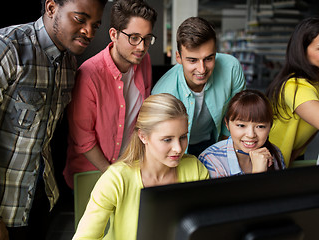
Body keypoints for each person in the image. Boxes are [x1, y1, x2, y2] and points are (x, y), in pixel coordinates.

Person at [0, 0, 106, 239]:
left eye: (95, 25)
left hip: (40, 201)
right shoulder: (0, 48)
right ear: (51, 8)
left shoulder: (69, 64)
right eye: (80, 19)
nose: (89, 31)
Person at [72, 93, 209, 240]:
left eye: (182, 137)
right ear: (143, 136)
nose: (178, 148)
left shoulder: (195, 169)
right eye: (167, 139)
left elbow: (207, 229)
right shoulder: (116, 179)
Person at [63, 0, 157, 189]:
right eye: (134, 37)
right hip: (92, 174)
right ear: (114, 34)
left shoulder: (144, 61)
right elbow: (83, 140)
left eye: (147, 38)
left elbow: (142, 116)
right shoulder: (89, 75)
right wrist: (112, 175)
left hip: (128, 168)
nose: (141, 47)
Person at [152, 16, 246, 157]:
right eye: (192, 60)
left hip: (217, 139)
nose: (202, 69)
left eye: (209, 58)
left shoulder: (231, 68)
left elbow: (237, 115)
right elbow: (161, 144)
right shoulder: (162, 93)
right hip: (179, 149)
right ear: (178, 57)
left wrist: (220, 154)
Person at [266, 17, 319, 167]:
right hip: (269, 163)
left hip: (289, 159)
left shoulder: (316, 82)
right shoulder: (295, 86)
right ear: (303, 51)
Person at [199, 90, 285, 178]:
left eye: (260, 126)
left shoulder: (275, 154)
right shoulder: (211, 160)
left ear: (270, 127)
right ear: (227, 124)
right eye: (241, 125)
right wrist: (258, 173)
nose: (251, 135)